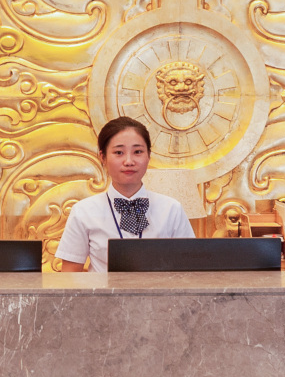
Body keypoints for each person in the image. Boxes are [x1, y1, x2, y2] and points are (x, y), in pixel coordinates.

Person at [57, 115, 194, 271]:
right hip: (102, 288)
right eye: (119, 152)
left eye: (137, 151)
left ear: (149, 156)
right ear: (103, 157)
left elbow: (189, 269)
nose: (129, 161)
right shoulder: (83, 211)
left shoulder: (171, 209)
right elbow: (70, 273)